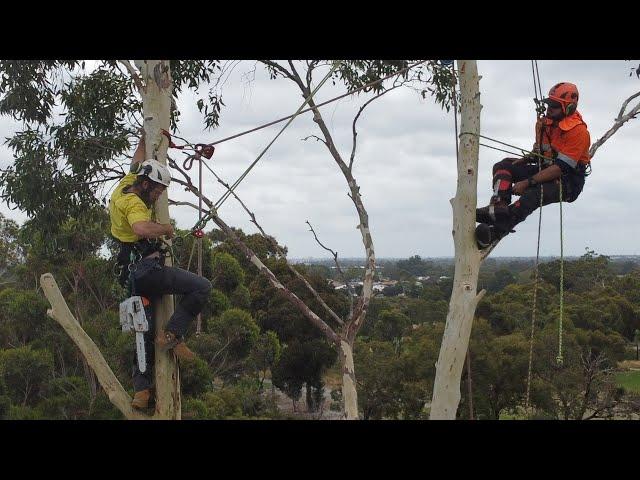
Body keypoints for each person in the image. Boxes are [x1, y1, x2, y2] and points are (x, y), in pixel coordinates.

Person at [109, 132, 212, 409]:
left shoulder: (128, 183)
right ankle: (173, 334)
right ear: (145, 184)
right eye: (156, 191)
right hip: (147, 271)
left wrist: (145, 139)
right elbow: (141, 228)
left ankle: (142, 392)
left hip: (133, 276)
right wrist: (166, 229)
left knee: (142, 332)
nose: (158, 196)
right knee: (202, 287)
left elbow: (136, 161)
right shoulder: (133, 203)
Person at [476, 82, 591, 248]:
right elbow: (543, 152)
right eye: (548, 104)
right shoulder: (545, 124)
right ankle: (499, 207)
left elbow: (560, 168)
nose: (549, 108)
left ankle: (498, 230)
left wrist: (527, 182)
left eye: (554, 106)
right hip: (546, 168)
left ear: (569, 108)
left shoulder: (579, 132)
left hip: (568, 181)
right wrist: (528, 158)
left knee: (534, 194)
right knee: (503, 166)